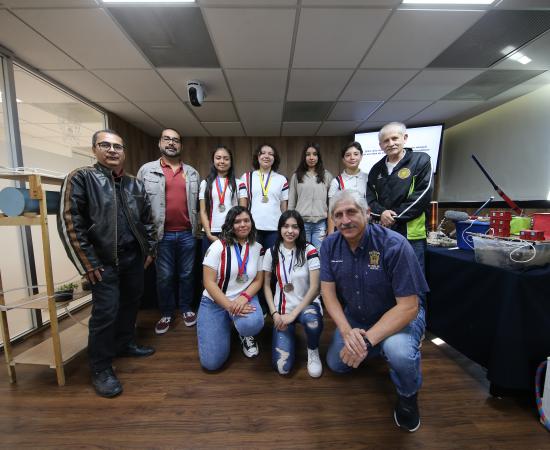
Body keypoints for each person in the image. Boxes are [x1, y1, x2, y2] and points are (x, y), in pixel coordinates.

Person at [58, 129, 156, 398]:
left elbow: (148, 220)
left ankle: (125, 343)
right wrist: (87, 263)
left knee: (131, 304)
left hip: (133, 258)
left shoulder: (135, 184)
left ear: (124, 152)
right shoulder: (81, 178)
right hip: (102, 262)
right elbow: (70, 224)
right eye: (105, 145)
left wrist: (150, 250)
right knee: (105, 313)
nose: (112, 150)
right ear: (94, 150)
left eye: (117, 146)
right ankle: (100, 368)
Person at [321, 189, 428, 432]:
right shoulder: (329, 245)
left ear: (367, 213)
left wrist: (366, 341)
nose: (345, 220)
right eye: (338, 215)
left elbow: (409, 306)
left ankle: (408, 396)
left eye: (351, 212)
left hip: (398, 318)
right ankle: (379, 345)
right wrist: (347, 332)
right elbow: (328, 294)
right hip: (358, 317)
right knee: (337, 364)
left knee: (399, 352)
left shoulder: (394, 245)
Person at [137, 128, 200, 335]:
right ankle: (166, 313)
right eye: (167, 139)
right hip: (160, 235)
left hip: (187, 233)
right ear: (160, 143)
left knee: (187, 274)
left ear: (180, 145)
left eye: (175, 140)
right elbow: (138, 204)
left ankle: (186, 308)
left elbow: (198, 205)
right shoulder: (146, 170)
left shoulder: (192, 173)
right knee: (164, 276)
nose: (171, 143)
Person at [198, 206, 265, 370]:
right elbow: (208, 282)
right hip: (215, 302)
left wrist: (244, 297)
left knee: (252, 324)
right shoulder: (217, 247)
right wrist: (230, 306)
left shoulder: (258, 248)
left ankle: (243, 333)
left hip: (243, 298)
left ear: (251, 223)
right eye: (237, 221)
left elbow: (258, 280)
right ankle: (220, 325)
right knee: (211, 364)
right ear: (230, 225)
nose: (243, 225)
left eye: (246, 220)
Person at [366, 122, 433, 276]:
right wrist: (382, 213)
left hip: (412, 235)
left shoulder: (421, 160)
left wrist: (394, 216)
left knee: (413, 279)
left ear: (405, 138)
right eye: (386, 141)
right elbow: (370, 199)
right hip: (384, 233)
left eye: (394, 138)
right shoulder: (375, 169)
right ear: (381, 145)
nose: (391, 143)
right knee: (385, 276)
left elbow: (423, 195)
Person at [240, 143, 288, 356]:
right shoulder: (247, 177)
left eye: (271, 153)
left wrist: (285, 229)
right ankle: (257, 305)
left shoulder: (282, 179)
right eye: (263, 153)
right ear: (257, 156)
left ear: (275, 158)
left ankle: (272, 306)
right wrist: (244, 228)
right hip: (254, 230)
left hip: (274, 231)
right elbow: (243, 206)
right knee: (253, 270)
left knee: (272, 271)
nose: (267, 156)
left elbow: (284, 209)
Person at [262, 210, 323, 378]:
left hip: (307, 306)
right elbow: (266, 285)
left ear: (300, 229)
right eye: (286, 226)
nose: (290, 231)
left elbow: (315, 287)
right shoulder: (271, 252)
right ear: (280, 229)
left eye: (295, 227)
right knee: (282, 368)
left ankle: (312, 349)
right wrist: (274, 314)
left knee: (312, 322)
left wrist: (293, 315)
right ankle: (290, 337)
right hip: (282, 310)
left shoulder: (309, 250)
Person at [199, 146, 247, 256]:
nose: (222, 161)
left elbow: (243, 211)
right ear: (213, 160)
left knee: (231, 264)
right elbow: (203, 211)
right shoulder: (205, 183)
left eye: (226, 158)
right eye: (218, 158)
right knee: (209, 265)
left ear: (231, 162)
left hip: (233, 232)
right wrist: (209, 234)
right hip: (210, 232)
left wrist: (237, 233)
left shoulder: (240, 184)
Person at [287, 143, 333, 249]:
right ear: (304, 157)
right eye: (308, 154)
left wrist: (330, 226)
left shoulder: (327, 176)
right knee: (302, 253)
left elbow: (331, 204)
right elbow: (292, 202)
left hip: (320, 224)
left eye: (314, 154)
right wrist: (291, 222)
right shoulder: (297, 176)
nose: (311, 157)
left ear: (318, 157)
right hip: (301, 223)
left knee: (319, 254)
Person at [327, 141, 368, 234]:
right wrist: (331, 234)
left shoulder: (368, 178)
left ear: (361, 156)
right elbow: (331, 210)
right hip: (344, 226)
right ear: (343, 159)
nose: (352, 158)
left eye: (356, 154)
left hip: (365, 226)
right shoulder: (336, 182)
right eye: (348, 155)